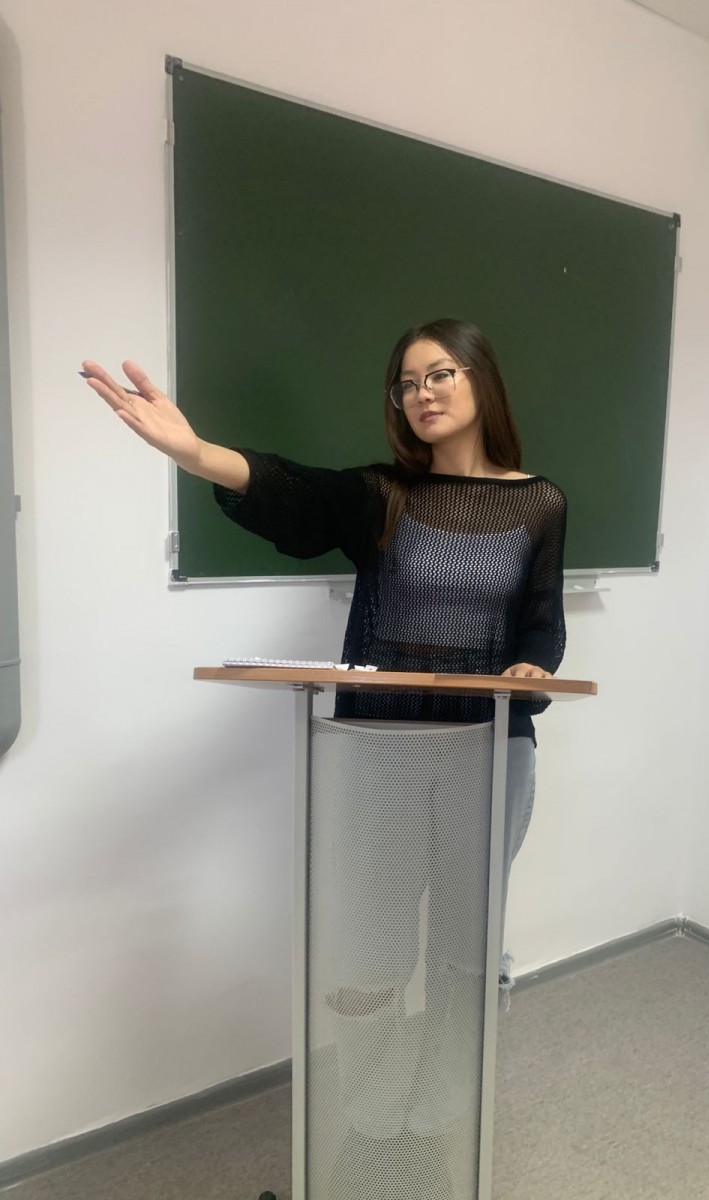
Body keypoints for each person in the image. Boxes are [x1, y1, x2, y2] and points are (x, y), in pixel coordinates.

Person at [84, 317, 566, 1197]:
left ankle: (439, 1119)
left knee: (464, 952)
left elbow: (540, 623)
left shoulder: (541, 503)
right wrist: (195, 453)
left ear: (481, 380)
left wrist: (535, 668)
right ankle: (374, 1122)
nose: (421, 393)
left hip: (493, 750)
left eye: (440, 374)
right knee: (372, 949)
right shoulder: (383, 494)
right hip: (377, 750)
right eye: (406, 382)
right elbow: (295, 497)